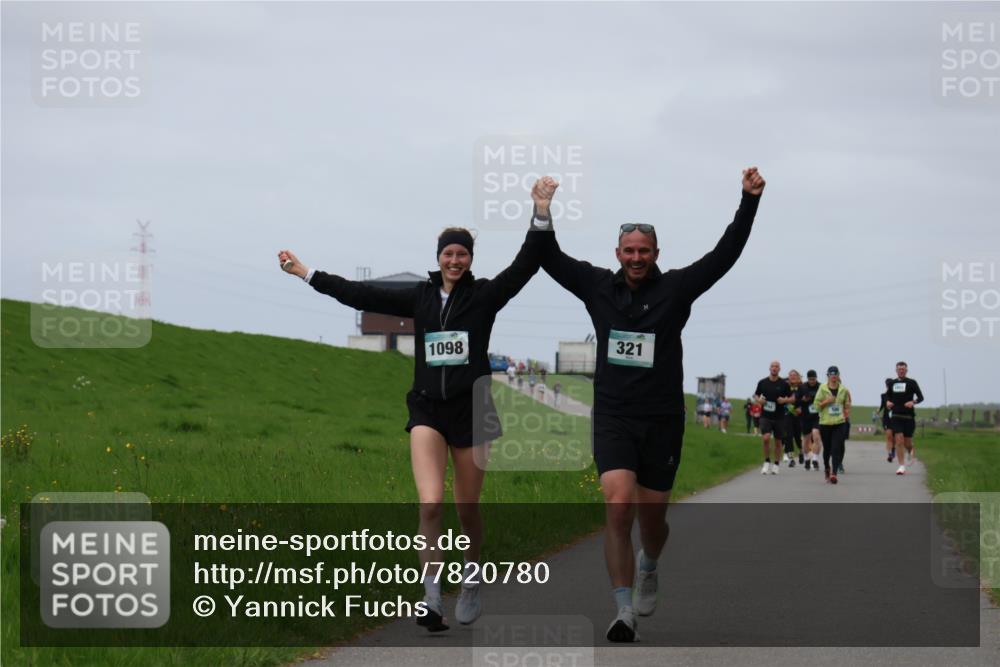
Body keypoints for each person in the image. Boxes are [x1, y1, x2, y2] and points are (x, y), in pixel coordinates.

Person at [277, 176, 559, 631]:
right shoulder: (420, 297)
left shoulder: (485, 296)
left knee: (467, 508)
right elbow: (360, 293)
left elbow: (527, 264)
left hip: (473, 409)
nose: (454, 259)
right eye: (448, 253)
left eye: (462, 253)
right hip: (427, 408)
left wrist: (541, 212)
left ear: (470, 260)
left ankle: (470, 579)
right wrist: (306, 273)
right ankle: (431, 598)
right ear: (438, 257)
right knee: (430, 504)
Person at [538, 166, 765, 642]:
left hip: (662, 420)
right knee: (618, 505)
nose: (636, 258)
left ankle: (650, 562)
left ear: (656, 254)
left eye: (644, 251)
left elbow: (725, 255)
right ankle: (622, 610)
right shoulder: (598, 286)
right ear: (617, 254)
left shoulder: (677, 288)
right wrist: (542, 212)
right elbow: (551, 259)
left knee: (652, 521)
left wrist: (748, 201)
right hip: (615, 416)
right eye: (629, 251)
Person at [813, 366, 851, 484]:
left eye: (836, 373)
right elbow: (816, 406)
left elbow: (847, 404)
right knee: (827, 449)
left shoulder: (843, 389)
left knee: (836, 448)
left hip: (839, 423)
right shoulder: (822, 388)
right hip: (825, 423)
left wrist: (846, 412)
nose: (833, 375)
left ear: (838, 375)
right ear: (828, 375)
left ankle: (834, 473)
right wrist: (827, 401)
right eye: (831, 374)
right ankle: (827, 469)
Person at [885, 361, 924, 475]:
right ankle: (901, 466)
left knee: (907, 443)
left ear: (906, 370)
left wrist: (913, 402)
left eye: (903, 369)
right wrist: (888, 401)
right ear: (896, 371)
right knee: (899, 440)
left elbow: (921, 397)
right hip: (896, 415)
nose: (901, 371)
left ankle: (910, 451)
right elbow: (887, 395)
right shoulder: (892, 383)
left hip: (908, 416)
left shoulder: (911, 382)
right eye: (899, 369)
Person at [754, 360, 793, 475]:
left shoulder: (784, 384)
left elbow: (792, 398)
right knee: (766, 438)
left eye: (776, 366)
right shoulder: (762, 382)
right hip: (765, 415)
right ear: (769, 368)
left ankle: (776, 464)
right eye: (772, 366)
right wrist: (759, 400)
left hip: (779, 417)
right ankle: (766, 461)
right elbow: (756, 394)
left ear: (779, 369)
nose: (774, 368)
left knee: (778, 442)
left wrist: (785, 400)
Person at [796, 370, 822, 470]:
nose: (812, 381)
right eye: (810, 379)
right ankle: (807, 458)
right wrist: (802, 400)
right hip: (805, 417)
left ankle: (815, 459)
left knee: (816, 435)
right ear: (807, 379)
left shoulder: (821, 387)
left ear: (816, 378)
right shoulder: (802, 387)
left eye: (814, 379)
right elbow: (796, 401)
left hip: (817, 416)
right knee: (806, 439)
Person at [784, 369, 804, 467]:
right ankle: (791, 459)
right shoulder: (785, 386)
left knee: (797, 436)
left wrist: (800, 408)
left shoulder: (802, 387)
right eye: (790, 375)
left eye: (794, 375)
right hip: (788, 414)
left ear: (798, 376)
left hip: (799, 415)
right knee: (788, 436)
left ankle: (801, 451)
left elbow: (805, 399)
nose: (792, 377)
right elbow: (783, 399)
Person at [878, 387, 894, 462]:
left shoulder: (896, 395)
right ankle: (890, 454)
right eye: (888, 385)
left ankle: (893, 448)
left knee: (895, 436)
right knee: (888, 436)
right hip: (887, 418)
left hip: (895, 418)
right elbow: (882, 405)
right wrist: (879, 410)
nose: (888, 387)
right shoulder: (883, 395)